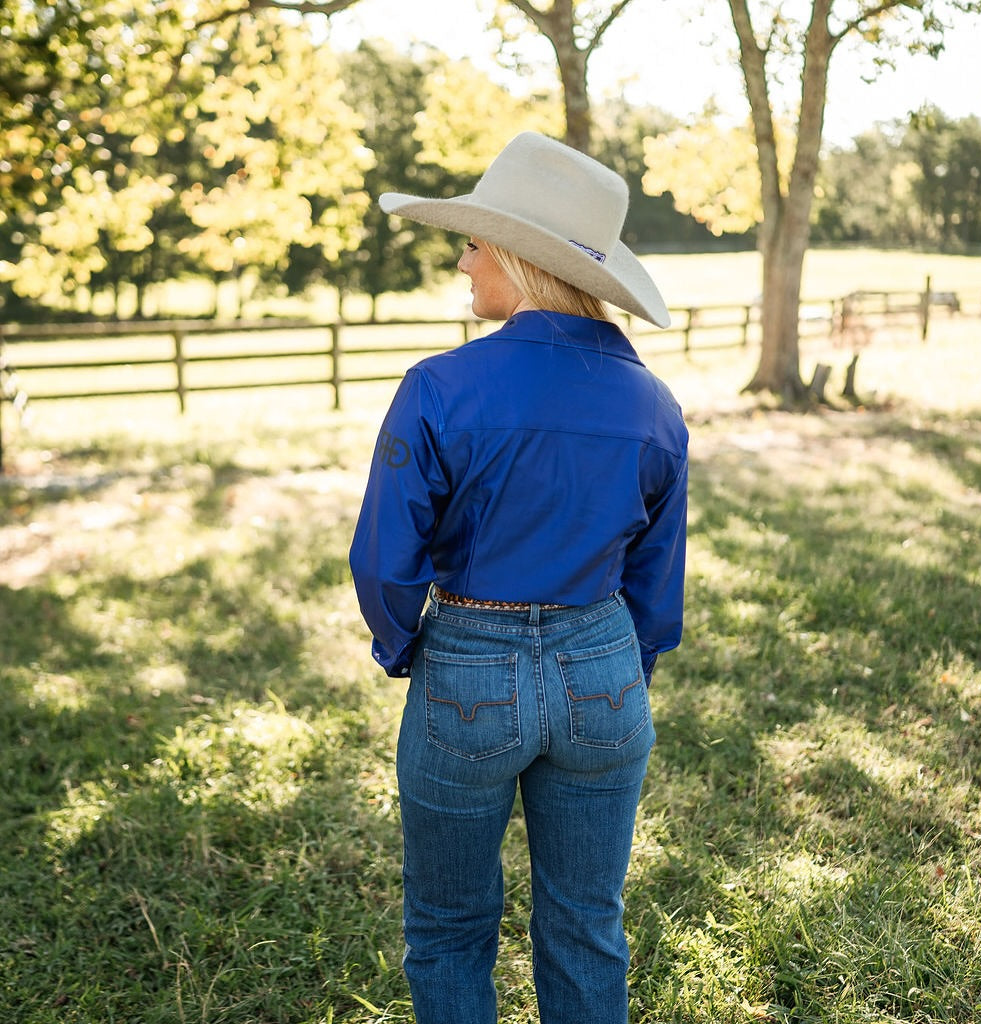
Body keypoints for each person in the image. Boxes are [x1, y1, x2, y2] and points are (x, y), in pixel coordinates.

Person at [349, 131, 688, 1024]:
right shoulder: (654, 403)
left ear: (515, 257)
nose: (462, 261)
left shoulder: (439, 387)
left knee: (451, 924)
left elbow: (384, 558)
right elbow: (658, 577)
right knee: (586, 925)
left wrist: (410, 645)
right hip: (606, 670)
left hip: (468, 663)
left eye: (472, 242)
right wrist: (623, 670)